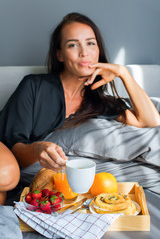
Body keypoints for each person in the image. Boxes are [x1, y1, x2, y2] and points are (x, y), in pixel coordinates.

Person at [0, 12, 160, 173]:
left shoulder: (100, 102)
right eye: (73, 45)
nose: (84, 53)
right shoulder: (34, 86)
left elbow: (151, 122)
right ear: (59, 54)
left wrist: (123, 73)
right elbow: (12, 147)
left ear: (99, 49)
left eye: (91, 43)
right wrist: (37, 148)